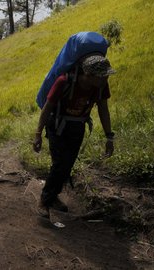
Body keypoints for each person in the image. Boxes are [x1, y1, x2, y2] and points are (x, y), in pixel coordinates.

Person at [33, 54, 116, 218]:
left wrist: (109, 137)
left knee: (67, 165)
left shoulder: (100, 87)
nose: (106, 78)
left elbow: (103, 110)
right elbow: (48, 107)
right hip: (57, 126)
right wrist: (38, 134)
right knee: (59, 164)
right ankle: (44, 201)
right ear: (89, 74)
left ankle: (53, 196)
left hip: (77, 127)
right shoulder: (64, 81)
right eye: (103, 75)